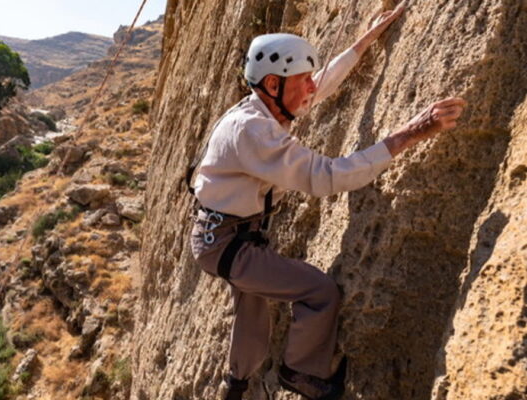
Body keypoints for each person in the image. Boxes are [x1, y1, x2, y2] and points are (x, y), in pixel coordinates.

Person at [189, 4, 466, 400]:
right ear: (272, 83)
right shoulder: (253, 130)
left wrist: (363, 42)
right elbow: (328, 177)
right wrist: (410, 133)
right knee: (318, 293)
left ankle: (237, 385)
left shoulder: (263, 106)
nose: (311, 88)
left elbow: (321, 83)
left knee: (251, 312)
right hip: (226, 243)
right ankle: (301, 372)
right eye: (301, 80)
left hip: (227, 236)